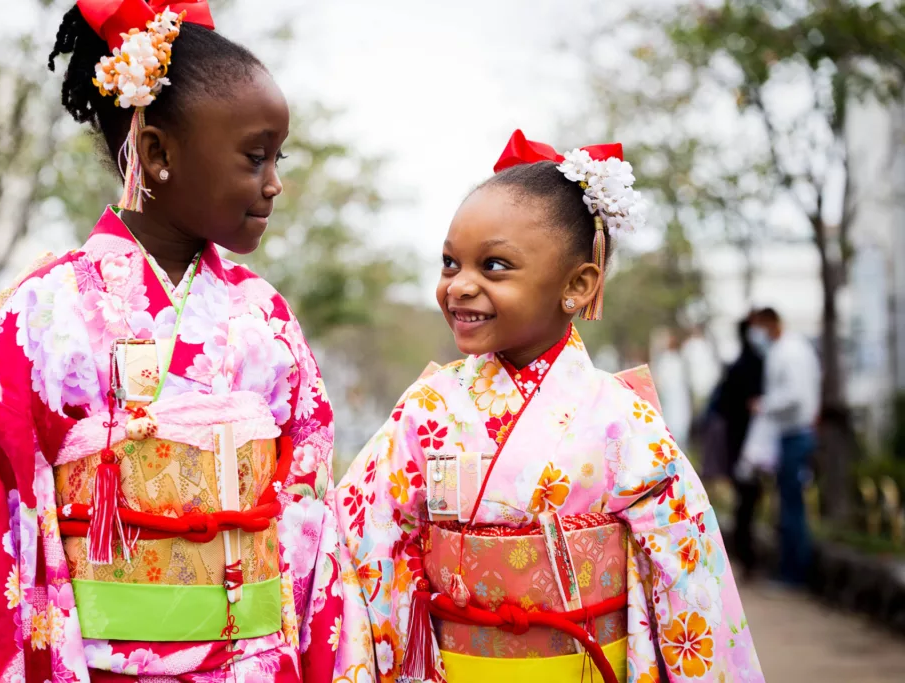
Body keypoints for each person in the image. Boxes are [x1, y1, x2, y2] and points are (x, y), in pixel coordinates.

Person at [0, 1, 357, 680]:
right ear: (156, 153)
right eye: (254, 156)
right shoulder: (41, 316)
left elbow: (310, 521)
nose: (274, 182)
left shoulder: (265, 320)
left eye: (277, 156)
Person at [335, 130, 763, 683]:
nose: (459, 286)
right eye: (449, 263)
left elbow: (688, 577)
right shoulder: (426, 411)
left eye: (493, 266)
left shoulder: (622, 421)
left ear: (578, 285)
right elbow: (359, 544)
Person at [748, 307, 820, 587]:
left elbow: (795, 396)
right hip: (790, 435)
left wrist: (763, 405)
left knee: (792, 509)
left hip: (795, 436)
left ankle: (794, 575)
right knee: (789, 506)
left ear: (770, 323)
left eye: (759, 327)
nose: (756, 335)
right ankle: (791, 571)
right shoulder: (787, 349)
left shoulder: (791, 352)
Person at [714, 316, 765, 580]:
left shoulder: (739, 366)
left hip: (742, 444)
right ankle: (748, 558)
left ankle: (748, 558)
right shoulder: (756, 365)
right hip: (752, 446)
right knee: (748, 502)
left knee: (745, 503)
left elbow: (721, 406)